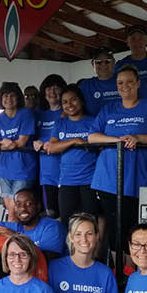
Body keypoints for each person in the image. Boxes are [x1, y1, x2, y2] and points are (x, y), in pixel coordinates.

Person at [87, 66, 147, 256]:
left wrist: (138, 137)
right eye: (120, 83)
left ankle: (131, 271)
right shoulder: (109, 109)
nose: (125, 86)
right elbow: (92, 137)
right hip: (108, 180)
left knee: (135, 229)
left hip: (138, 178)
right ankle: (117, 275)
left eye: (130, 81)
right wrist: (117, 141)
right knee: (115, 229)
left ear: (138, 83)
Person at [45, 85, 99, 230]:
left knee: (90, 224)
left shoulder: (93, 121)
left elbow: (99, 146)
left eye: (73, 100)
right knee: (66, 223)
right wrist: (74, 141)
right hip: (67, 181)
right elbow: (52, 147)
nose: (69, 105)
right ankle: (69, 252)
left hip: (90, 181)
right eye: (65, 102)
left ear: (81, 101)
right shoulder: (60, 123)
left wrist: (67, 144)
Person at [0, 82, 37, 220]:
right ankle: (11, 237)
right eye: (5, 95)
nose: (8, 99)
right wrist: (4, 144)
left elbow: (21, 142)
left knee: (18, 210)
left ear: (18, 98)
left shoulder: (26, 114)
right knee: (11, 210)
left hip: (24, 168)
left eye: (12, 95)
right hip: (4, 169)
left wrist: (0, 145)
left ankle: (14, 238)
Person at [0, 187, 66, 256]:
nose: (23, 209)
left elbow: (47, 259)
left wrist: (16, 237)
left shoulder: (51, 227)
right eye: (18, 204)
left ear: (38, 206)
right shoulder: (16, 227)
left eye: (28, 204)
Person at [77, 47, 147, 116]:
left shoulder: (126, 79)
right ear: (92, 64)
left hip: (125, 128)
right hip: (96, 131)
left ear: (114, 62)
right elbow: (69, 103)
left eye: (107, 61)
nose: (103, 65)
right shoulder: (85, 85)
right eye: (98, 62)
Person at [34, 73, 68, 217]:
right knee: (51, 213)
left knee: (67, 214)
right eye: (48, 88)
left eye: (56, 88)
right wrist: (35, 142)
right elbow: (30, 138)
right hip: (46, 173)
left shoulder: (68, 113)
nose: (52, 92)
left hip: (66, 172)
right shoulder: (39, 114)